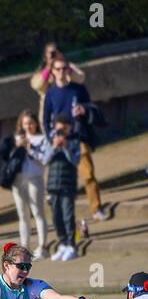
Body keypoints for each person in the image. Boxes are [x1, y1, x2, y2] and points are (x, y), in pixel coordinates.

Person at [42, 56, 106, 221]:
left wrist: (83, 110)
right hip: (60, 139)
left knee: (88, 174)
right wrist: (51, 136)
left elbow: (92, 107)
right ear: (53, 72)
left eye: (64, 69)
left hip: (78, 136)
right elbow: (45, 117)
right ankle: (63, 214)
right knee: (61, 176)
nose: (61, 72)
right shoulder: (50, 92)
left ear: (69, 70)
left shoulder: (78, 88)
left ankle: (96, 208)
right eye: (57, 69)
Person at [10, 111, 49, 256]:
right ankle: (24, 246)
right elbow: (8, 159)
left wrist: (30, 148)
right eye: (26, 123)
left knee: (37, 211)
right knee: (23, 215)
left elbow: (45, 160)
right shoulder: (16, 138)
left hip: (35, 178)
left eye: (31, 123)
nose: (29, 126)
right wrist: (16, 147)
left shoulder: (41, 139)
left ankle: (42, 246)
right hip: (18, 180)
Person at [43, 113, 81, 261]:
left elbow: (75, 160)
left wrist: (65, 147)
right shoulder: (50, 140)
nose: (61, 132)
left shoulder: (74, 140)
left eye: (64, 129)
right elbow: (45, 160)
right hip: (53, 184)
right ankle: (63, 243)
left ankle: (71, 245)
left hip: (68, 184)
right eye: (59, 129)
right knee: (56, 216)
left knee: (67, 215)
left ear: (69, 128)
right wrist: (54, 146)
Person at [30, 43, 85, 119]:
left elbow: (80, 79)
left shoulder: (68, 67)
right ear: (45, 57)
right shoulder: (41, 71)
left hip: (69, 108)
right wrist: (48, 68)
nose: (54, 56)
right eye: (51, 54)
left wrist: (66, 67)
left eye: (56, 53)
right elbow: (36, 86)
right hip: (51, 111)